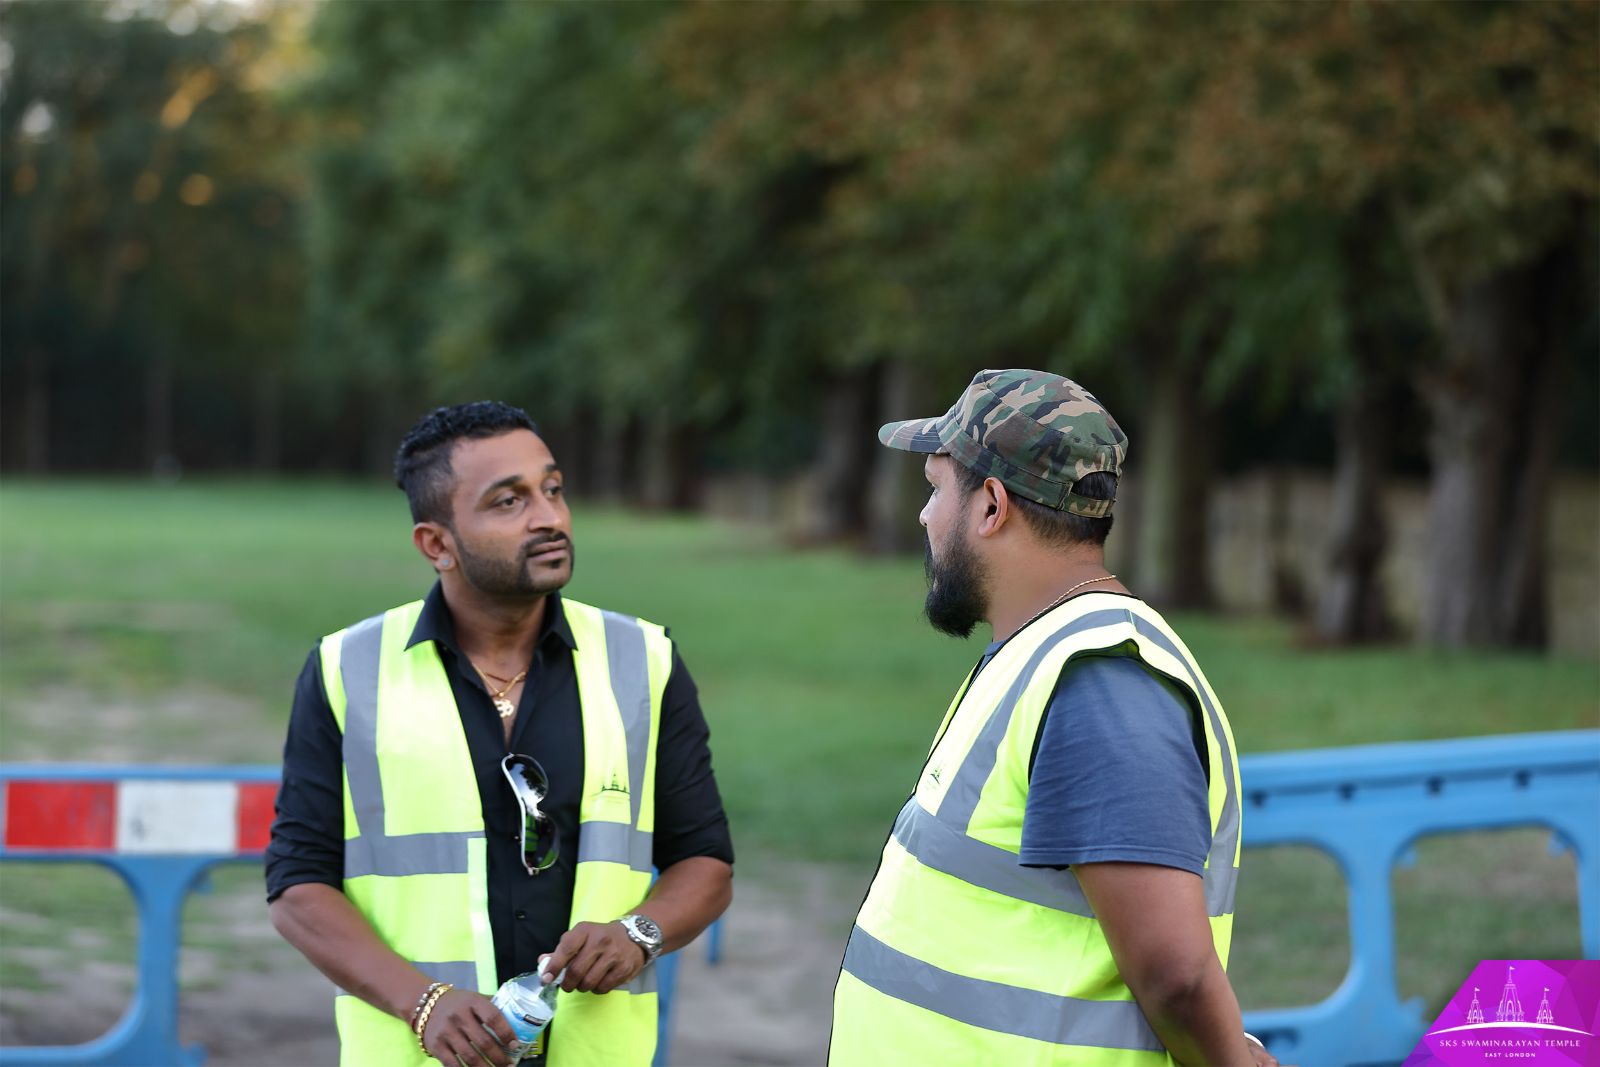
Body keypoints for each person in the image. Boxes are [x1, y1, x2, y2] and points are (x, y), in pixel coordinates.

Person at [829, 369, 1276, 1066]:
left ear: (991, 506)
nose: (924, 515)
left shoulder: (1100, 680)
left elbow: (1177, 973)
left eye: (935, 487)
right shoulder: (1044, 654)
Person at [266, 401, 733, 1067]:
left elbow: (707, 863)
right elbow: (297, 886)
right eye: (508, 501)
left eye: (552, 489)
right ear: (437, 544)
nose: (548, 516)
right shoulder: (348, 669)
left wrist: (639, 931)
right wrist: (422, 1001)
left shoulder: (643, 659)